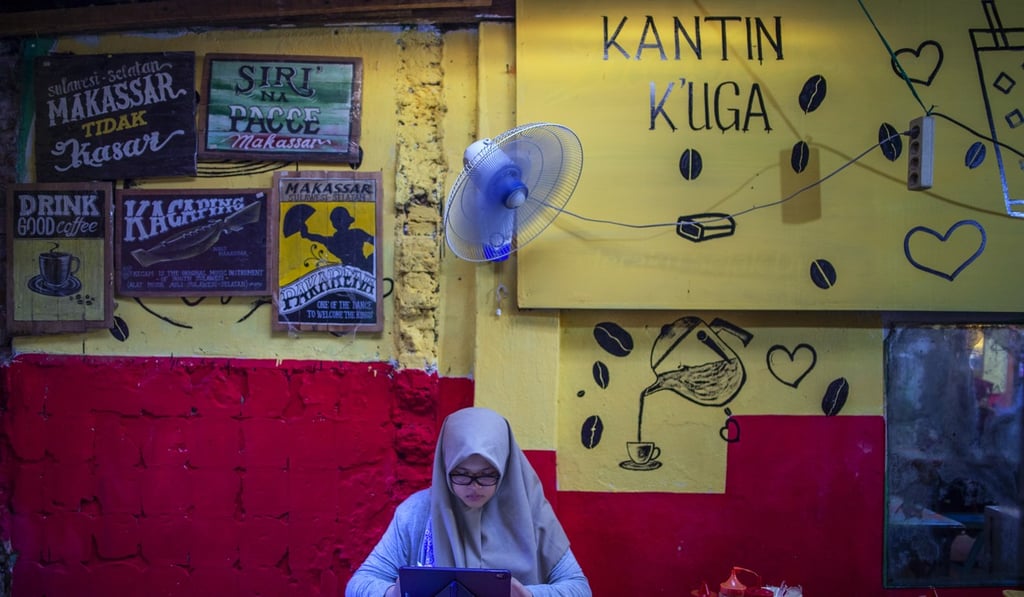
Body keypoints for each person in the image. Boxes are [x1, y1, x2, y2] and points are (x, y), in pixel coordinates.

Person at [345, 407, 592, 597]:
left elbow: (579, 588)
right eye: (461, 474)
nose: (474, 487)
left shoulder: (532, 512)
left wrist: (528, 594)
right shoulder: (417, 512)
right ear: (444, 467)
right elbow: (358, 585)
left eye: (487, 474)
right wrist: (391, 593)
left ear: (506, 469)